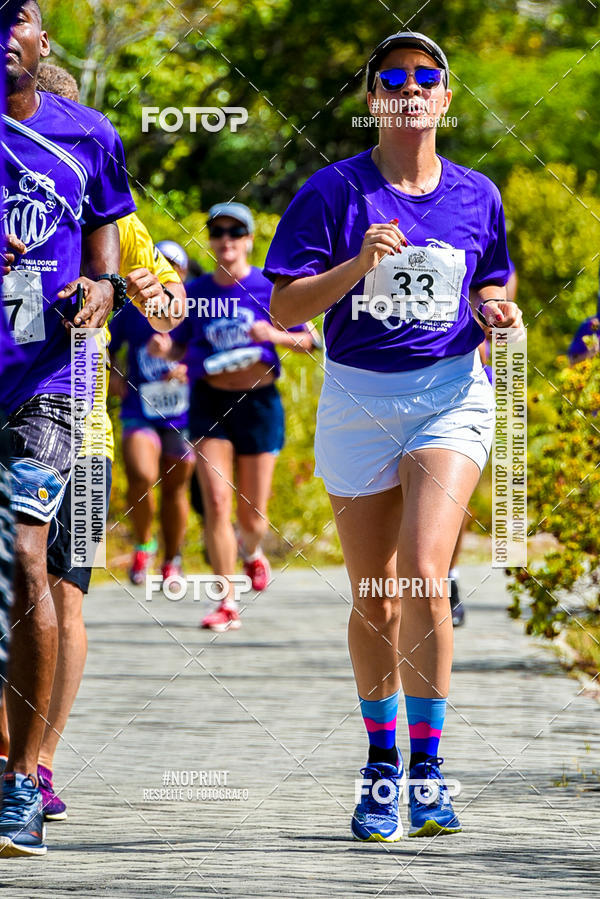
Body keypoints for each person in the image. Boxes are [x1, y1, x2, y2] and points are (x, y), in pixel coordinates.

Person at [267, 32, 522, 840]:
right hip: (357, 400)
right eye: (393, 79)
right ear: (372, 98)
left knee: (421, 570)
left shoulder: (478, 193)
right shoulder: (332, 193)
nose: (411, 89)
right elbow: (284, 310)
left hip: (450, 395)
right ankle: (380, 766)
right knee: (374, 595)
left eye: (427, 77)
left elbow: (493, 275)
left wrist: (499, 307)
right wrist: (356, 265)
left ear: (447, 97)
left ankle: (430, 769)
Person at [0, 1, 135, 857]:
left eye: (17, 14)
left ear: (43, 40)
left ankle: (22, 782)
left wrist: (105, 287)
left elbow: (107, 234)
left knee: (25, 554)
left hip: (46, 383)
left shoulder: (88, 135)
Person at [148, 202, 319, 631]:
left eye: (234, 232)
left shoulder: (268, 285)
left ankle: (252, 552)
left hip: (259, 404)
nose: (225, 240)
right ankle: (226, 600)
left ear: (248, 239)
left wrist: (274, 334)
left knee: (253, 518)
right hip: (210, 403)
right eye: (218, 232)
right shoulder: (198, 291)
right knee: (217, 503)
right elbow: (179, 344)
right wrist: (164, 351)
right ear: (210, 240)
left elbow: (311, 339)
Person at [448, 258, 518, 627]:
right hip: (411, 382)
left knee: (454, 500)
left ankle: (449, 576)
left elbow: (501, 324)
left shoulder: (492, 264)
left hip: (473, 386)